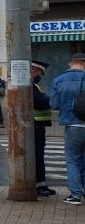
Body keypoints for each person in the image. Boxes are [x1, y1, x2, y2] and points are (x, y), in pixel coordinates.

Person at [48, 51, 85, 206]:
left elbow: (54, 104)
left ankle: (75, 195)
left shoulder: (59, 80)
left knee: (72, 160)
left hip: (72, 124)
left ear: (70, 63)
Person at [31, 60, 56, 197]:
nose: (40, 75)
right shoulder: (30, 86)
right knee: (37, 156)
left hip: (38, 125)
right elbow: (40, 101)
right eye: (39, 72)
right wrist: (50, 100)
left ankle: (41, 184)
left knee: (38, 155)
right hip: (35, 126)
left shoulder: (33, 85)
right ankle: (39, 185)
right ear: (34, 71)